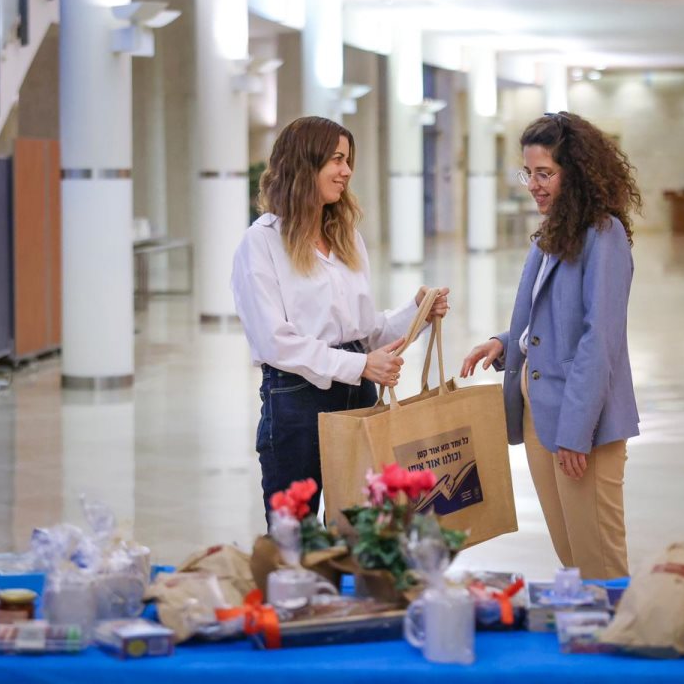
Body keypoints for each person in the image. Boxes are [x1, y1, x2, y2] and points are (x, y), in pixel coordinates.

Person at [232, 115, 449, 519]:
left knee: (363, 531)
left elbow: (367, 333)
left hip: (357, 395)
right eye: (335, 159)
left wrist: (415, 311)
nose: (346, 171)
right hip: (297, 399)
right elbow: (275, 342)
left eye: (347, 160)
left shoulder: (346, 238)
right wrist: (362, 364)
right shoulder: (261, 243)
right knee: (294, 537)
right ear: (303, 164)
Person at [460, 111, 641, 580]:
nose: (534, 185)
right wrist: (504, 343)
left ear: (576, 175)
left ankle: (615, 638)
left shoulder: (604, 235)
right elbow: (545, 321)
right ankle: (588, 639)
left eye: (546, 173)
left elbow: (597, 338)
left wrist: (576, 431)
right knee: (571, 556)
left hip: (580, 420)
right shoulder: (551, 234)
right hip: (540, 410)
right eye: (530, 173)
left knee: (598, 560)